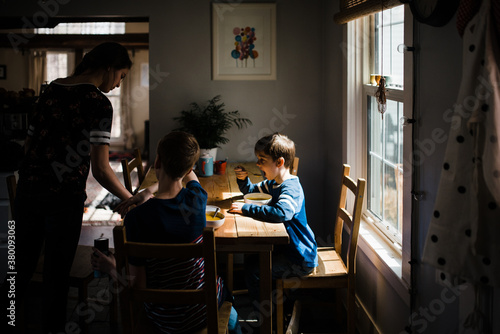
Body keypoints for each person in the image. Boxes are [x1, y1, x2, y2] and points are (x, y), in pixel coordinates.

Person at [0, 42, 133, 334]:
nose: (118, 84)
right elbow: (100, 168)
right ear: (109, 68)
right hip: (63, 200)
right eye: (121, 76)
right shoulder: (98, 103)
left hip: (28, 192)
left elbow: (29, 145)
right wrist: (131, 198)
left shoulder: (51, 89)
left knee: (17, 270)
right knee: (56, 277)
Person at [91, 131, 241, 334]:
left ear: (157, 161)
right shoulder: (198, 199)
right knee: (226, 297)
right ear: (189, 168)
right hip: (203, 312)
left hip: (165, 320)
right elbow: (190, 177)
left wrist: (111, 267)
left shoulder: (136, 218)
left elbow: (139, 287)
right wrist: (151, 191)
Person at [230, 133, 318, 319]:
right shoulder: (274, 183)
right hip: (288, 251)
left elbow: (281, 213)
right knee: (252, 261)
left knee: (255, 271)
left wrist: (246, 209)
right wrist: (243, 179)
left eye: (262, 160)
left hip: (299, 258)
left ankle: (266, 319)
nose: (258, 164)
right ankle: (274, 306)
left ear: (279, 162)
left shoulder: (290, 188)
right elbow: (251, 190)